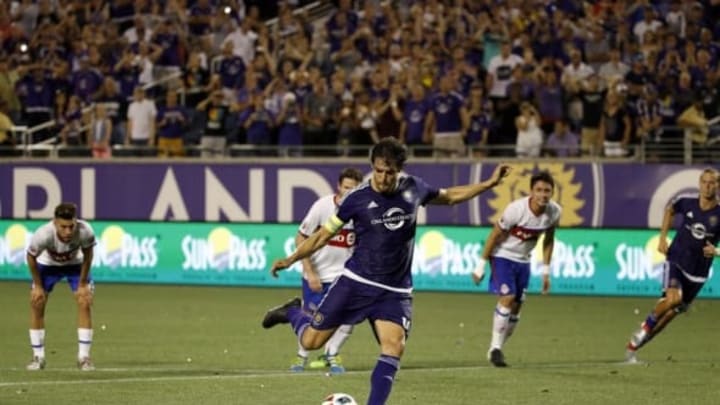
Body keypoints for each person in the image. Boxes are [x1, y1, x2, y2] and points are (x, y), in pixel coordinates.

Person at [263, 138, 510, 405]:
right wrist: (291, 259)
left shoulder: (414, 188)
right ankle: (292, 311)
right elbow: (322, 235)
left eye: (390, 171)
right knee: (312, 342)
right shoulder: (355, 199)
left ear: (399, 170)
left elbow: (449, 197)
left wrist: (488, 184)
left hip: (395, 290)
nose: (383, 177)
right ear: (373, 166)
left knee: (394, 348)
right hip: (356, 282)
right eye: (379, 170)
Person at [625, 168, 720, 363]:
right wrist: (662, 238)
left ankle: (637, 344)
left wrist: (717, 252)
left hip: (699, 272)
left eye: (712, 182)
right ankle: (644, 327)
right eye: (705, 181)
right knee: (674, 298)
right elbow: (670, 209)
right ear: (699, 183)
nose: (708, 186)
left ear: (718, 186)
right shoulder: (687, 201)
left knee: (671, 313)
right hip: (676, 258)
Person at [471, 171, 561, 367]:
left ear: (552, 192)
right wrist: (480, 264)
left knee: (517, 307)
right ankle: (495, 348)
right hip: (502, 255)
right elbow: (495, 234)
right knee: (508, 297)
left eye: (547, 191)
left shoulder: (554, 212)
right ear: (531, 191)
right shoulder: (516, 210)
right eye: (538, 190)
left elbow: (549, 240)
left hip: (524, 261)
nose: (543, 195)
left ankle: (497, 349)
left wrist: (546, 271)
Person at [289, 167, 364, 374]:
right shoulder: (322, 206)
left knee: (349, 318)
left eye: (354, 189)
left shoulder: (362, 210)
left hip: (345, 276)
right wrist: (310, 271)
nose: (349, 192)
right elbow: (301, 237)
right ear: (338, 186)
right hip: (318, 275)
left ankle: (331, 354)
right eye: (346, 187)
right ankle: (301, 356)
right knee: (313, 320)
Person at [26, 203, 97, 371]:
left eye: (71, 226)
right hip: (47, 266)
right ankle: (38, 357)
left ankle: (84, 357)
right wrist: (37, 285)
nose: (68, 232)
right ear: (55, 222)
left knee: (84, 301)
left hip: (75, 265)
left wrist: (82, 284)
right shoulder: (43, 234)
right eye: (63, 227)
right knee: (37, 303)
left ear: (76, 222)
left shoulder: (85, 231)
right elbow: (31, 257)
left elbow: (88, 256)